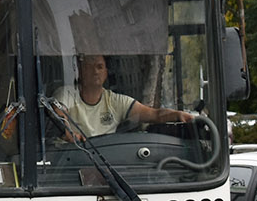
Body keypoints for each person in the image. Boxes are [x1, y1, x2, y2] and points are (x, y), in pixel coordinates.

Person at [52, 53, 194, 138]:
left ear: (106, 73)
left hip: (106, 161)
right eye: (89, 67)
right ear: (80, 72)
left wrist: (177, 115)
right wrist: (68, 132)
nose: (95, 71)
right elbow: (58, 113)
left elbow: (154, 114)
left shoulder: (116, 101)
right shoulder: (67, 94)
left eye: (99, 67)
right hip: (70, 161)